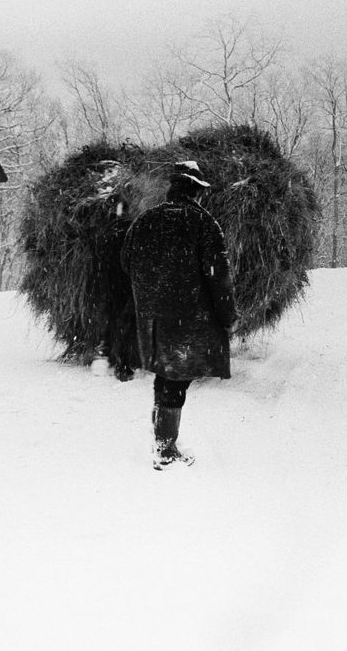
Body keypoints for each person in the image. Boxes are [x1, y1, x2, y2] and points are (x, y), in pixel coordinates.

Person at [120, 161, 238, 470]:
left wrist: (152, 291)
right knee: (176, 381)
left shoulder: (145, 221)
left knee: (165, 376)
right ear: (196, 192)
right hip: (189, 321)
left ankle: (161, 437)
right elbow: (219, 277)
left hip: (154, 319)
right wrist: (227, 315)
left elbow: (126, 263)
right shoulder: (204, 223)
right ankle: (165, 449)